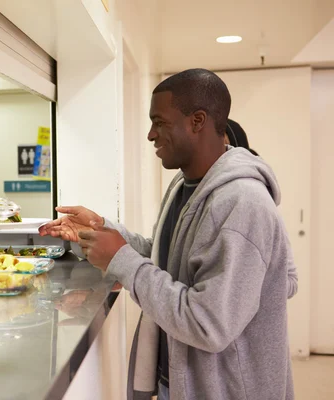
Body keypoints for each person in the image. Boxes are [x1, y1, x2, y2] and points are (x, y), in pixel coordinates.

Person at [40, 69, 297, 400]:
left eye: (159, 122)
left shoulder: (244, 205)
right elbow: (164, 259)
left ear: (197, 121)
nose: (150, 135)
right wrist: (102, 230)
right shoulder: (184, 185)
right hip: (181, 381)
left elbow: (209, 323)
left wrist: (121, 259)